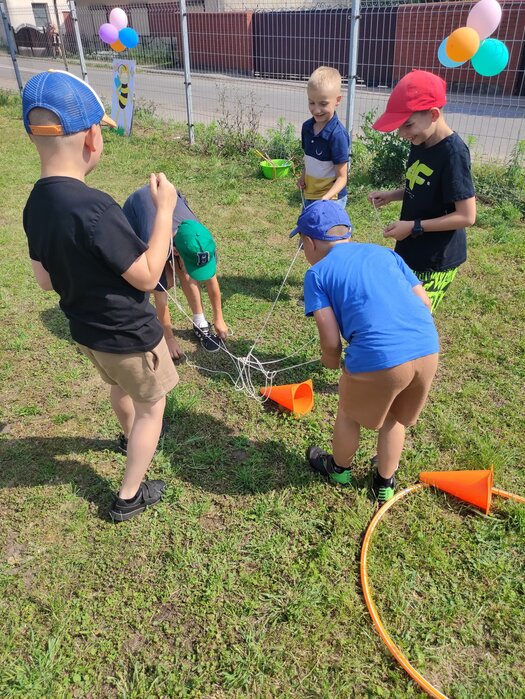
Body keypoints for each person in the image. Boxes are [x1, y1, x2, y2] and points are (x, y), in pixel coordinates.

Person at [22, 70, 180, 522]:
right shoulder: (96, 208)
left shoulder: (35, 204)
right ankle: (129, 496)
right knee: (151, 407)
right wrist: (164, 211)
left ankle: (128, 438)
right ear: (93, 137)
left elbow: (44, 280)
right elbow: (148, 276)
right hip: (129, 336)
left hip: (88, 334)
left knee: (118, 386)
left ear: (33, 135)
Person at [292, 201, 439, 504]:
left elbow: (330, 340)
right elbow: (424, 302)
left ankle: (339, 470)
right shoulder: (385, 253)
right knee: (394, 419)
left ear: (309, 242)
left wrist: (331, 361)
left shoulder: (317, 274)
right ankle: (384, 483)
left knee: (349, 413)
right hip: (427, 347)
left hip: (379, 357)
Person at [368, 70, 476, 313]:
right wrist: (392, 195)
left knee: (416, 317)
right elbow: (422, 186)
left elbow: (467, 216)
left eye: (408, 125)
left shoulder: (453, 154)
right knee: (398, 307)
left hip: (435, 259)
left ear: (433, 114)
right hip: (411, 247)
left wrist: (414, 226)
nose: (402, 134)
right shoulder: (421, 140)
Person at [123, 185, 228, 356]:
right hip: (136, 211)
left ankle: (200, 322)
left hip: (168, 200)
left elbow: (212, 281)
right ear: (175, 251)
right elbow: (161, 295)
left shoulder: (202, 242)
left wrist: (219, 317)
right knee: (165, 281)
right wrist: (169, 338)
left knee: (186, 271)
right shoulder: (154, 242)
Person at [298, 66, 350, 210]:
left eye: (323, 103)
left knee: (325, 226)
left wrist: (325, 199)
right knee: (307, 224)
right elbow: (309, 159)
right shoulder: (307, 128)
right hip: (310, 194)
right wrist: (303, 176)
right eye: (311, 102)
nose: (316, 110)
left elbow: (342, 178)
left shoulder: (337, 135)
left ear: (337, 100)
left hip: (331, 199)